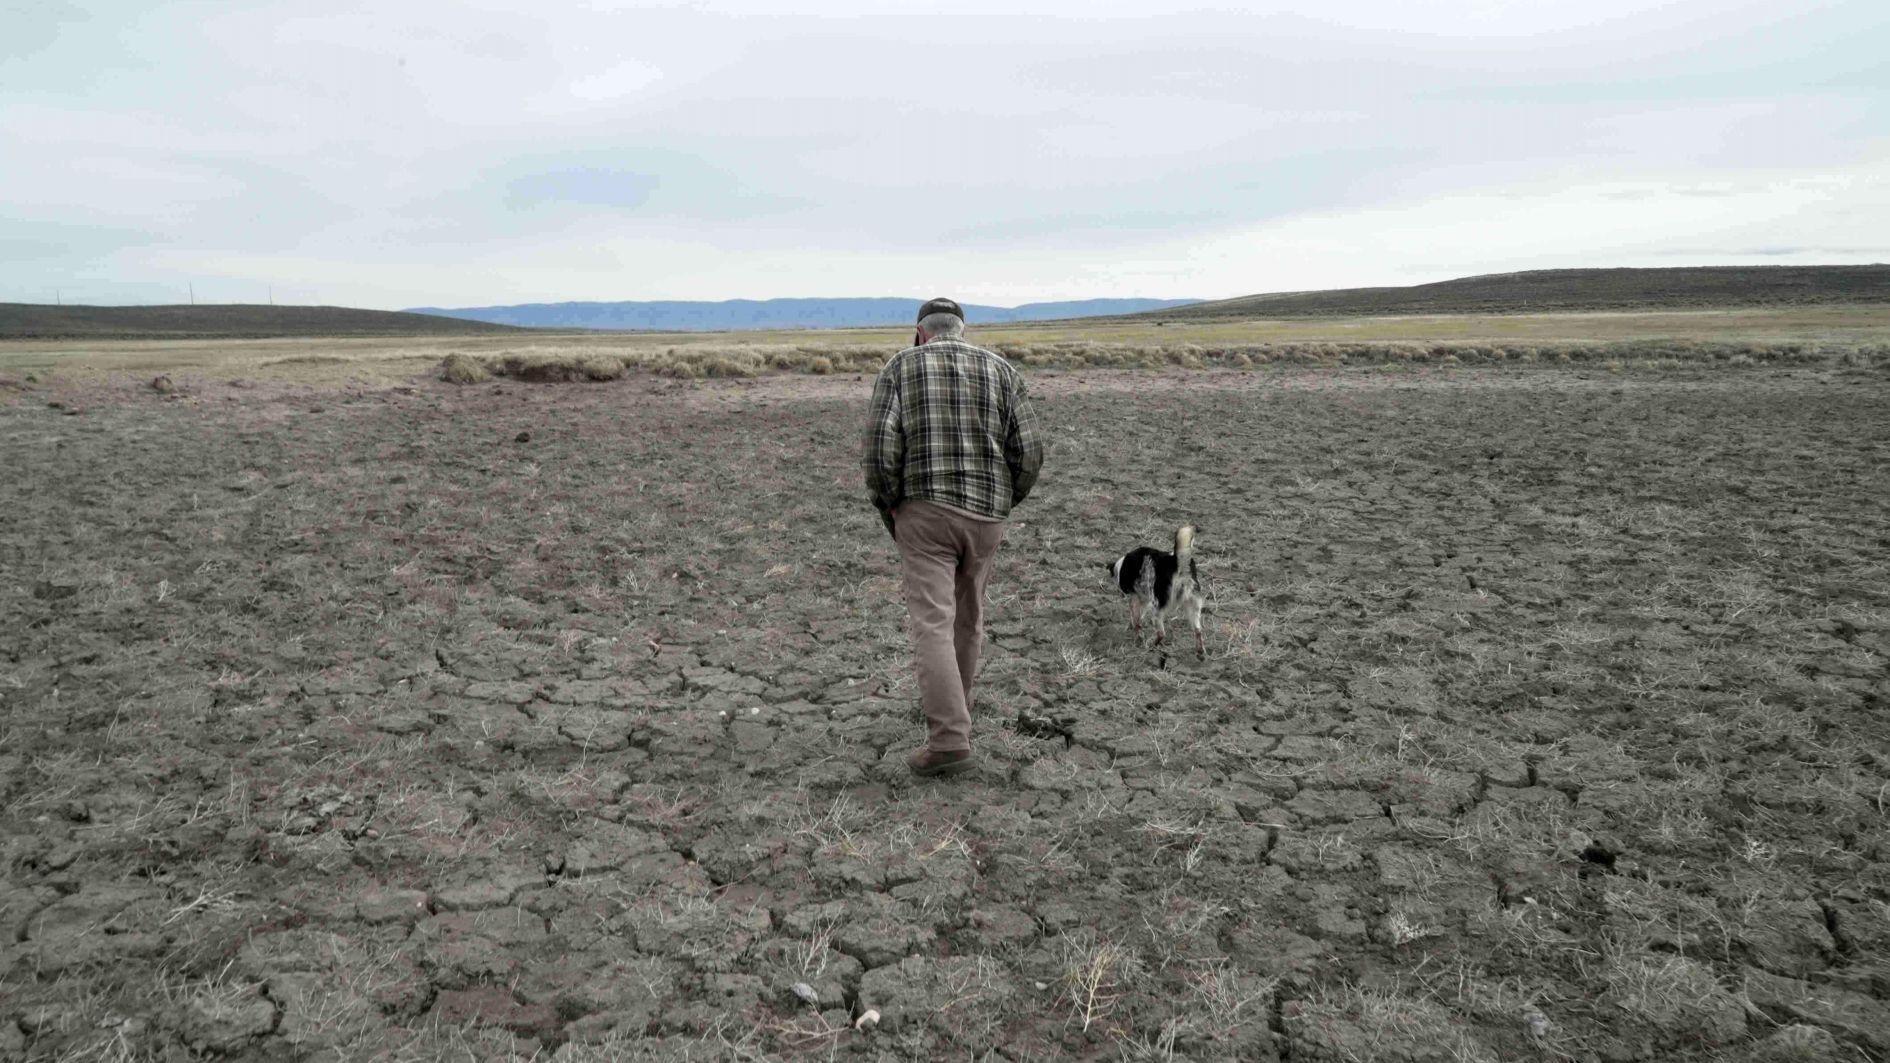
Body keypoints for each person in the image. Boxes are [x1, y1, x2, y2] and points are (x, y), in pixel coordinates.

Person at [862, 297, 1044, 778]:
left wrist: (891, 506)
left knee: (934, 624)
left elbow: (879, 450)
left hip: (924, 513)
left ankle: (948, 740)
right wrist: (1003, 502)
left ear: (920, 333)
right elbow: (1029, 451)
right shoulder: (1002, 370)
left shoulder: (900, 366)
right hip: (986, 517)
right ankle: (955, 710)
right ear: (962, 330)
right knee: (969, 618)